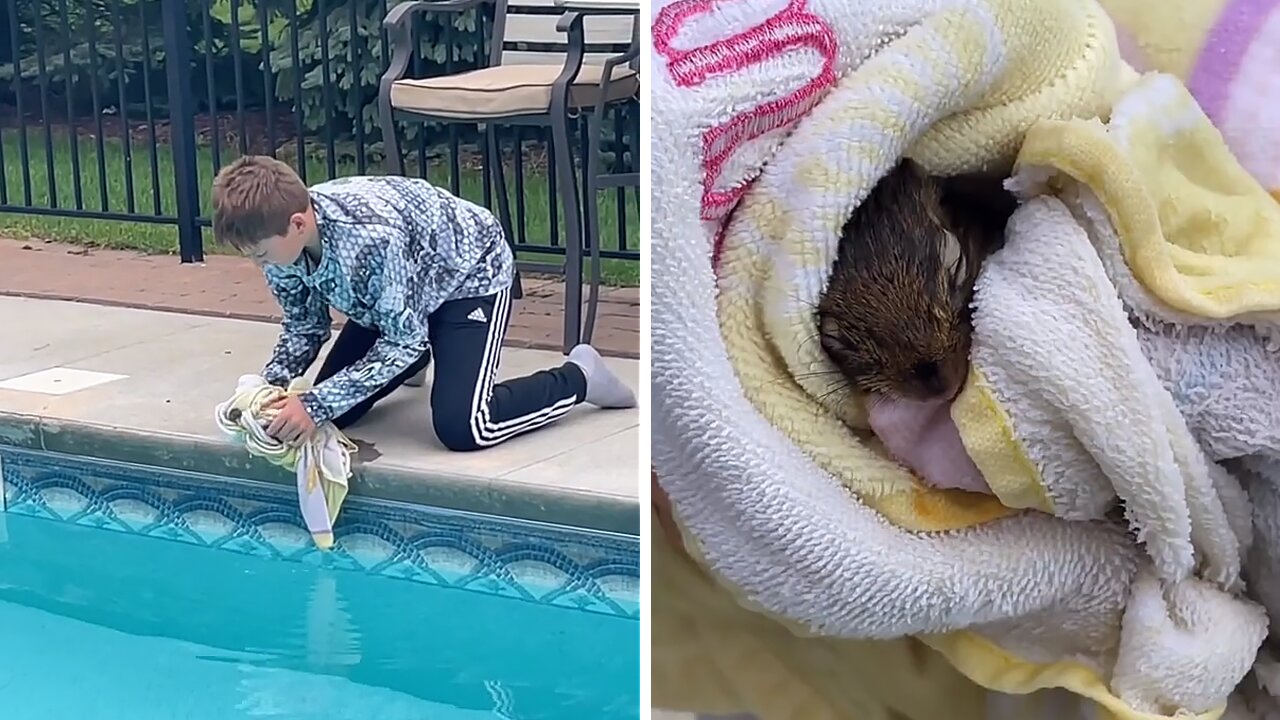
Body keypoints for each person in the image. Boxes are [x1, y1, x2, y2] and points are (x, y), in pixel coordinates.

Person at [210, 155, 636, 452]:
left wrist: (315, 402)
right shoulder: (278, 238)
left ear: (298, 224)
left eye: (260, 254)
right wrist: (268, 389)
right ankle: (415, 363)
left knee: (465, 427)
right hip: (396, 302)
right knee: (331, 414)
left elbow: (403, 341)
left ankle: (581, 376)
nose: (257, 263)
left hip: (468, 276)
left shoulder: (372, 237)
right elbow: (305, 326)